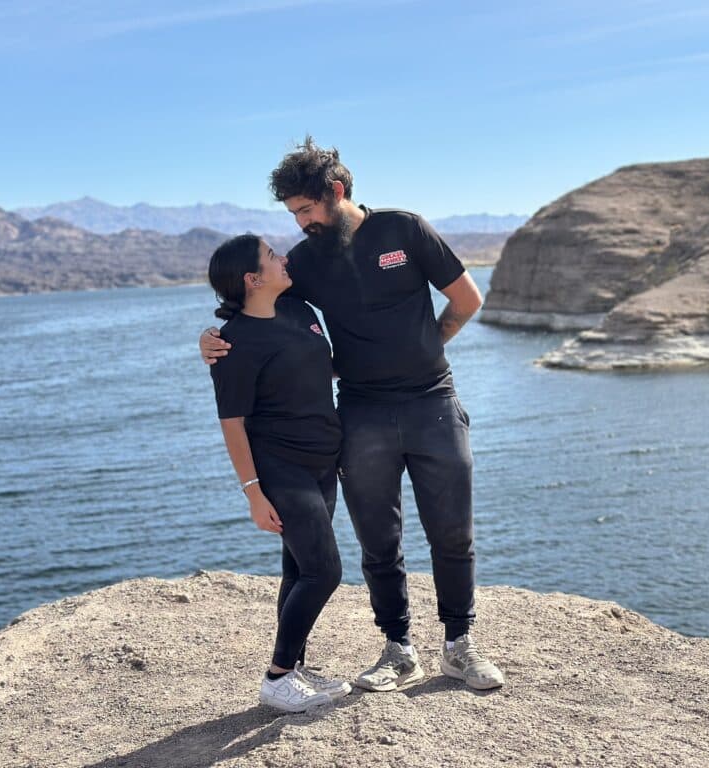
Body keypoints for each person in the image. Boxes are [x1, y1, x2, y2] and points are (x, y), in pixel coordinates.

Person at [202, 138, 505, 692]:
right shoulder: (305, 263)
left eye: (306, 209)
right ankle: (398, 649)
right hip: (361, 413)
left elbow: (467, 299)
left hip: (432, 402)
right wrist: (214, 340)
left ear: (336, 192)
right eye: (292, 214)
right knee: (378, 541)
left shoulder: (404, 230)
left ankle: (459, 647)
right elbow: (260, 314)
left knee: (452, 532)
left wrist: (428, 348)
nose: (300, 223)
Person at [206, 233, 352, 712]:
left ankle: (297, 667)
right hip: (280, 468)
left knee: (297, 568)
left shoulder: (299, 312)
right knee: (324, 570)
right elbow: (232, 424)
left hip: (322, 460)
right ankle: (277, 676)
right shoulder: (233, 344)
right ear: (252, 279)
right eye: (271, 256)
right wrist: (253, 493)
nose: (282, 258)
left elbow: (325, 369)